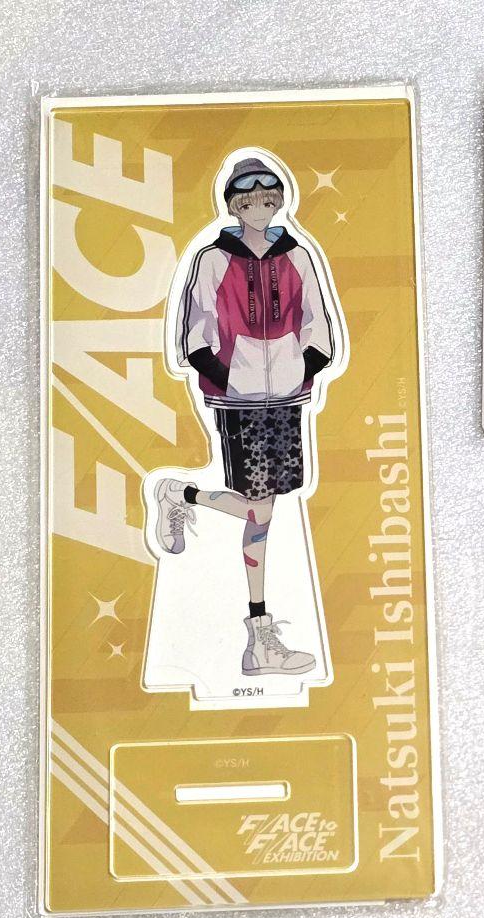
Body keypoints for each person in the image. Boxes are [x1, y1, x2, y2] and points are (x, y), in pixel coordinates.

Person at [151, 156, 336, 676]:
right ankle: (258, 638)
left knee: (266, 507)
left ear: (278, 200)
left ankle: (179, 495)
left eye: (267, 198)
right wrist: (229, 376)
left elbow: (317, 321)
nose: (259, 207)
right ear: (234, 205)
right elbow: (196, 330)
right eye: (248, 199)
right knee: (260, 510)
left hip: (287, 398)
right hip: (237, 400)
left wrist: (304, 367)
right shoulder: (213, 259)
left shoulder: (297, 256)